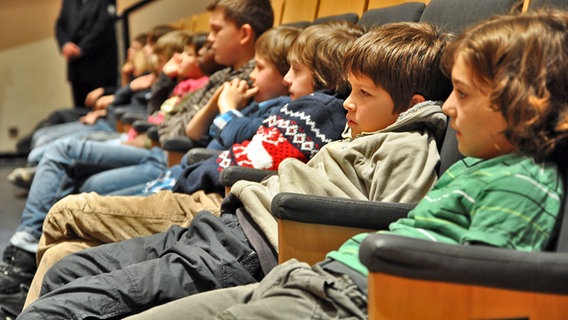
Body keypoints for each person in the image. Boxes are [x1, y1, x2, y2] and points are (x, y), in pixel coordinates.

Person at [107, 10, 568, 319]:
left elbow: (479, 295)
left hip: (346, 299)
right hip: (313, 277)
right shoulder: (473, 165)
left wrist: (377, 256)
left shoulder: (524, 184)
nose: (447, 108)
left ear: (529, 103)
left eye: (463, 94)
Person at [15, 21, 455, 319]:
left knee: (67, 306)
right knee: (64, 270)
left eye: (363, 93)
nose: (346, 103)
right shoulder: (360, 128)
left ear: (412, 106)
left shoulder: (407, 145)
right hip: (224, 224)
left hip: (251, 248)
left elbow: (394, 224)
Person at [55, 0, 119, 107]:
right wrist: (65, 44)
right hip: (77, 69)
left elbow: (103, 26)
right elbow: (60, 25)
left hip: (100, 67)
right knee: (80, 110)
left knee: (101, 110)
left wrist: (80, 49)